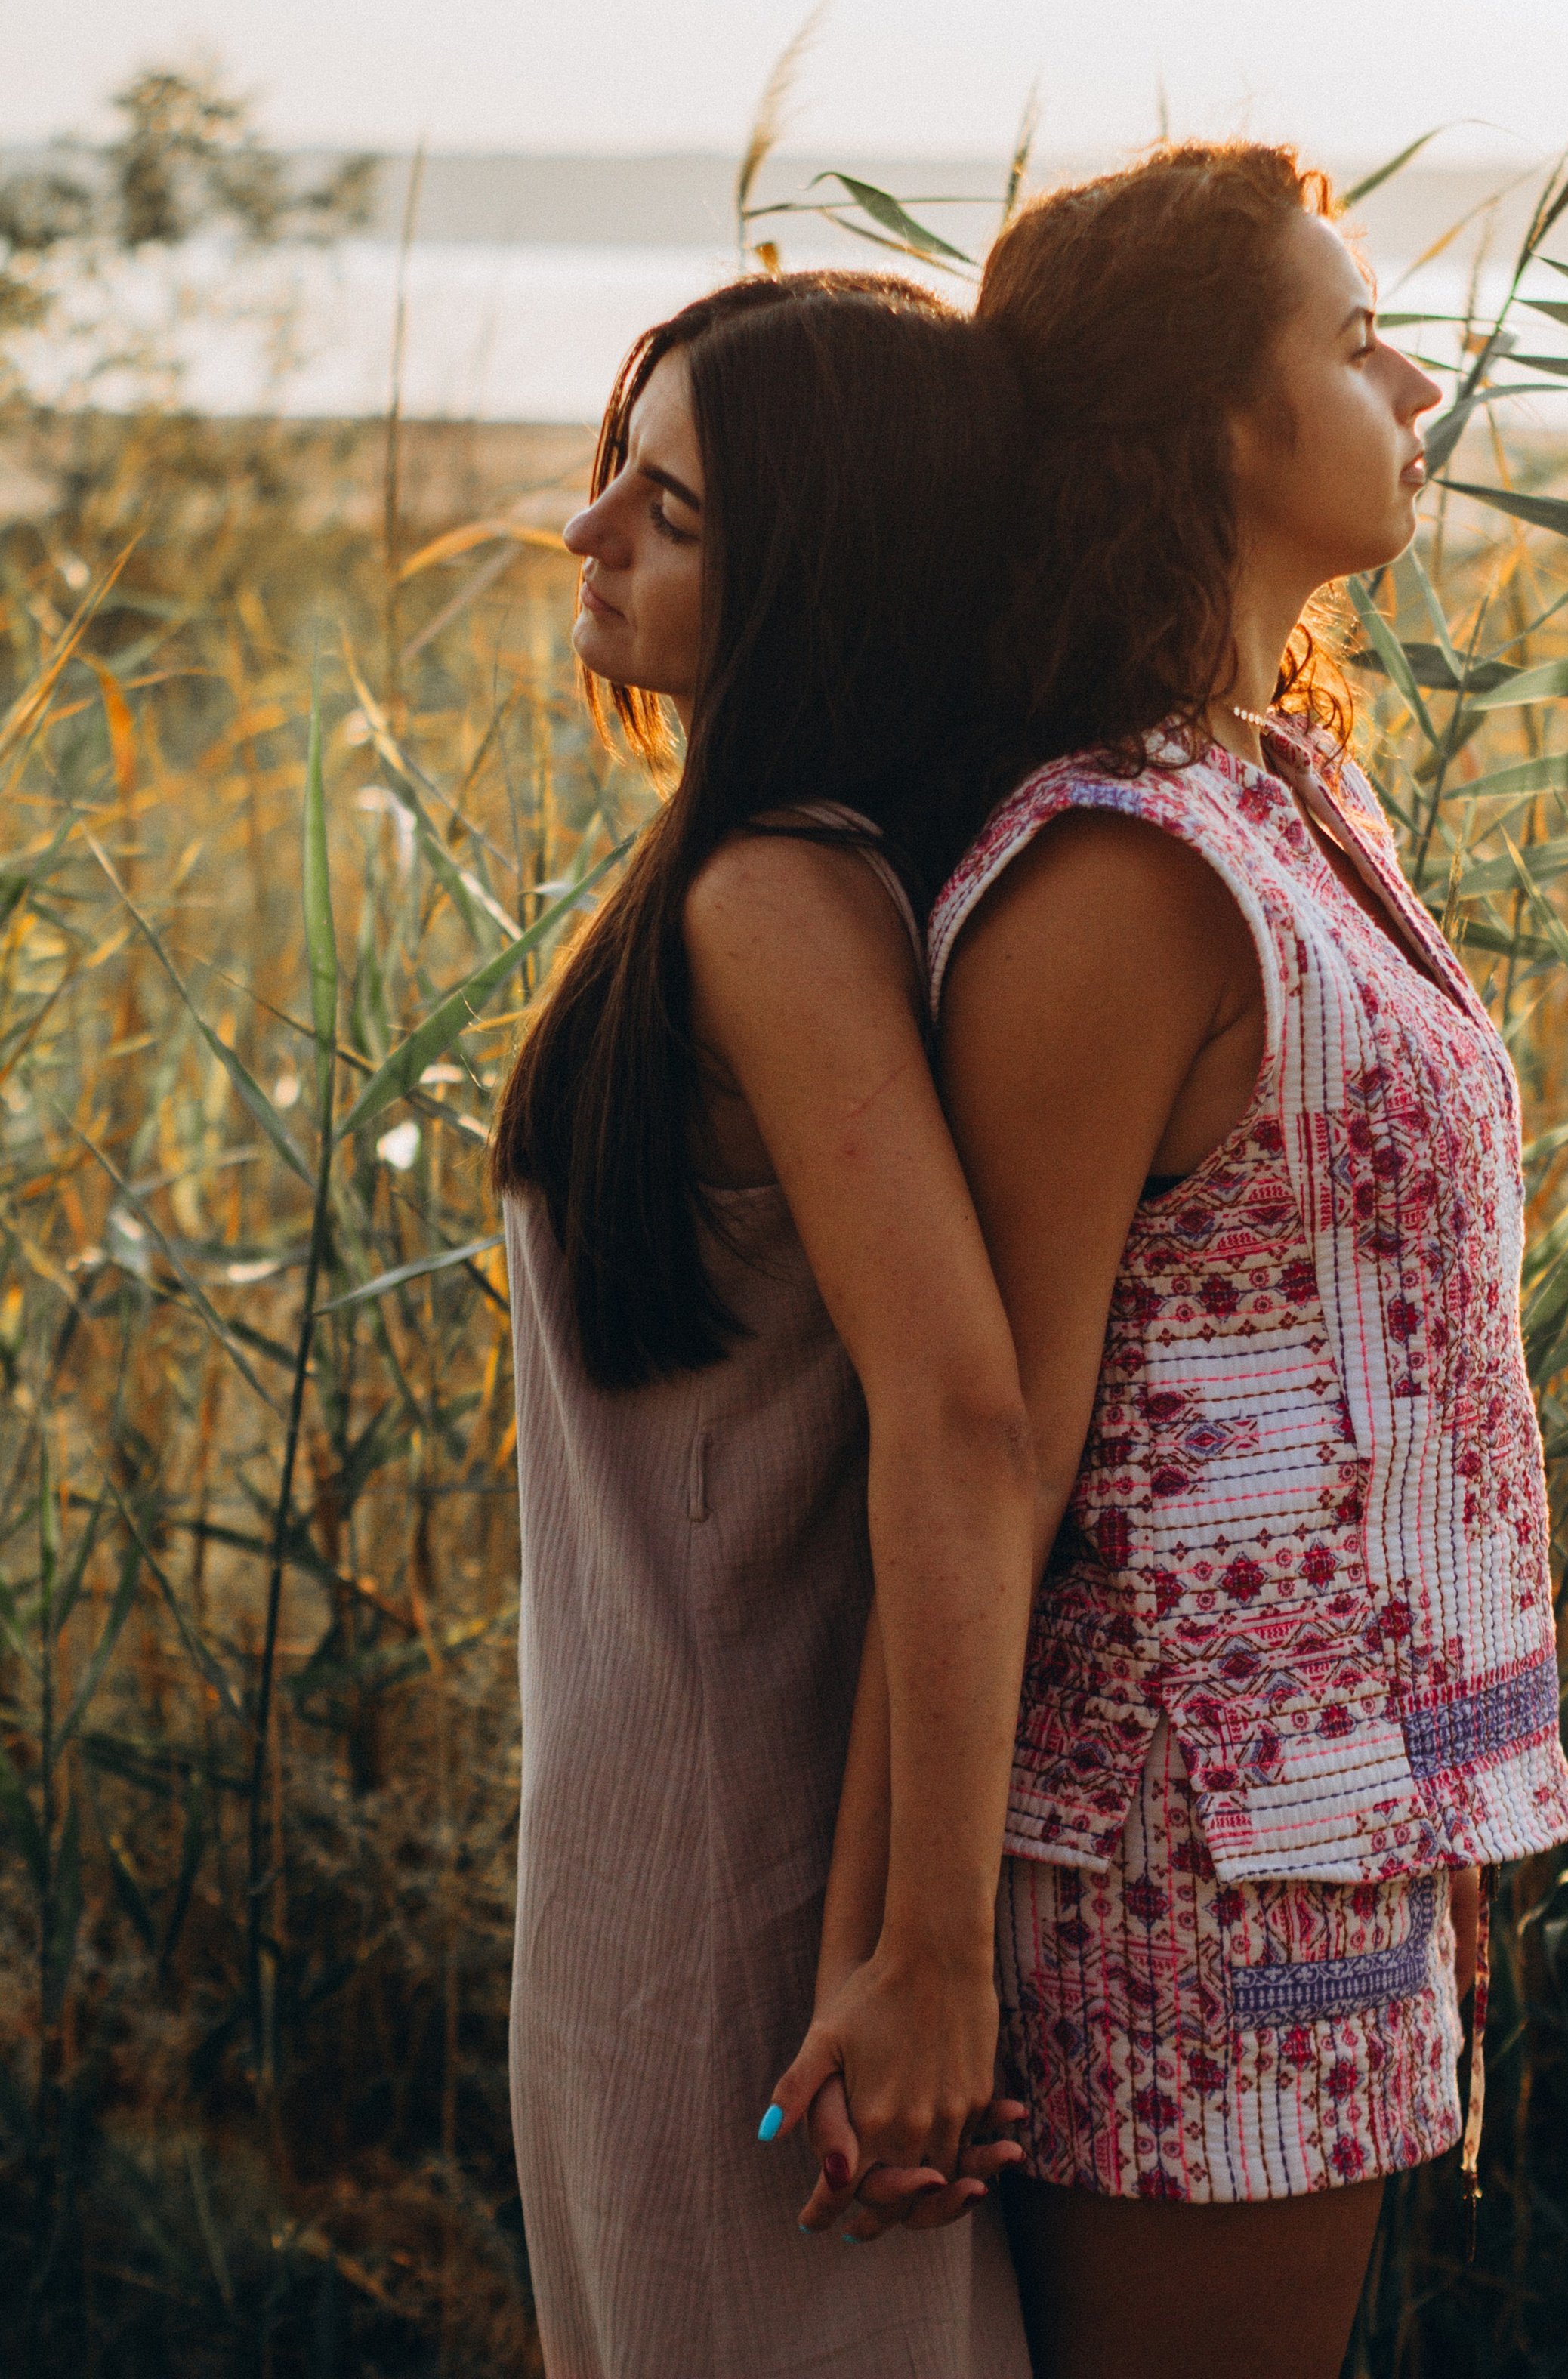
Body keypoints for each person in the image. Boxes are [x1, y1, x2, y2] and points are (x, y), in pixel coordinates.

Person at [921, 143, 1568, 2379]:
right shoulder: (1117, 873)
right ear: (1216, 418)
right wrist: (916, 1951)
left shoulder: (1287, 792)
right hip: (1176, 1865)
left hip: (1340, 1824)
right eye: (1350, 331)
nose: (1412, 375)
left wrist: (1427, 1819)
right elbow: (987, 1443)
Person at [492, 271, 1038, 2379]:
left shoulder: (779, 900)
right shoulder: (746, 874)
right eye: (619, 472)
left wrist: (927, 1955)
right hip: (647, 1868)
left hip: (741, 1894)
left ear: (826, 577)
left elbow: (967, 1421)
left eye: (675, 509)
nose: (589, 530)